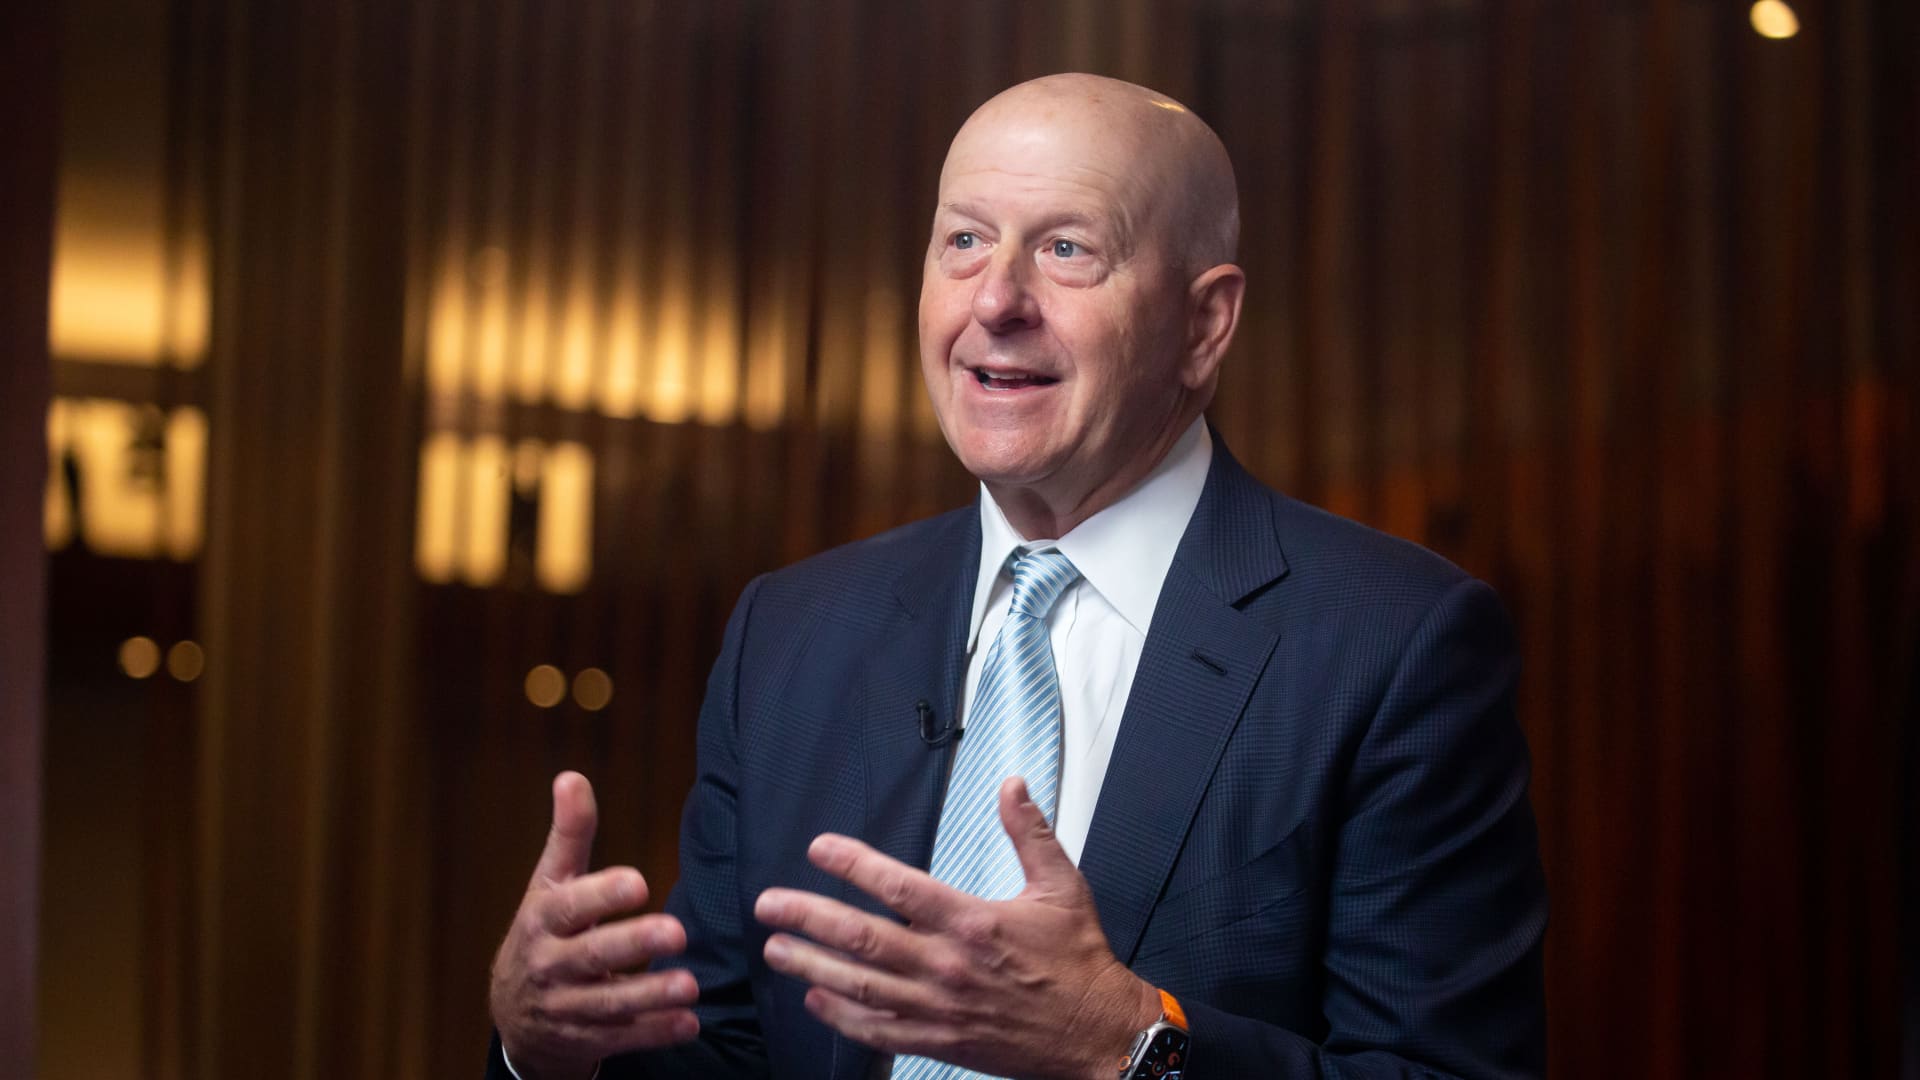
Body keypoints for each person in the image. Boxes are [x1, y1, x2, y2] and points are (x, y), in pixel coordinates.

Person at [486, 72, 1547, 1080]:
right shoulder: (792, 633)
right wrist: (552, 1052)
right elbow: (725, 1051)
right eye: (964, 240)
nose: (996, 299)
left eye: (1068, 250)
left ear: (1203, 324)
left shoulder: (1393, 645)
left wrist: (1122, 1045)